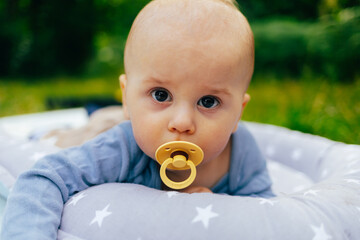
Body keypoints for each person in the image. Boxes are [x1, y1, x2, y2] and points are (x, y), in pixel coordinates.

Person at [1, 0, 274, 238]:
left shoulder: (242, 155)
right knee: (80, 133)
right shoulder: (120, 149)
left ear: (239, 112)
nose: (181, 122)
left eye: (208, 101)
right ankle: (51, 132)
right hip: (104, 129)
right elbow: (44, 178)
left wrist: (217, 209)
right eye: (160, 94)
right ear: (126, 96)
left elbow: (269, 217)